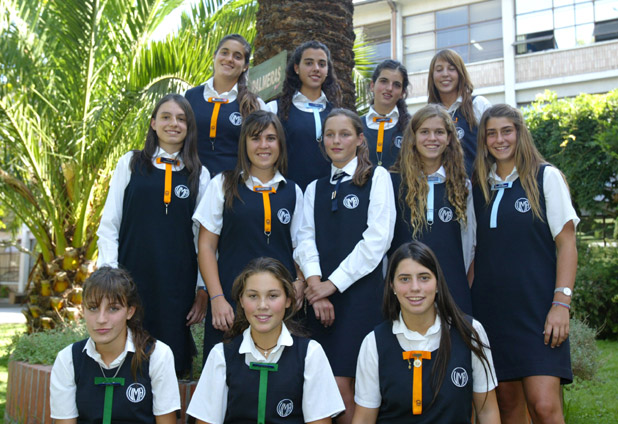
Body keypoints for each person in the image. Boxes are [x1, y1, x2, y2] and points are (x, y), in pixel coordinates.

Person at [472, 104, 578, 424]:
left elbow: (567, 243)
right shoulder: (478, 185)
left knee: (544, 406)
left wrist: (561, 303)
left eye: (507, 131)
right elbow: (474, 253)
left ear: (520, 134)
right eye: (491, 133)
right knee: (507, 406)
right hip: (491, 313)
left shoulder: (546, 177)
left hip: (538, 311)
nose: (499, 139)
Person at [97, 93, 210, 376]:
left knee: (170, 367)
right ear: (153, 123)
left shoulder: (199, 175)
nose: (174, 124)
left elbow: (204, 240)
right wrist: (109, 276)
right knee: (127, 364)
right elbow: (110, 223)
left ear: (189, 127)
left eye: (181, 119)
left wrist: (202, 289)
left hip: (177, 286)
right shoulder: (131, 163)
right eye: (166, 117)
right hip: (130, 281)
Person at [294, 109, 396, 423]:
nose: (336, 141)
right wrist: (316, 287)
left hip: (361, 298)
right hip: (320, 301)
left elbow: (377, 240)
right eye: (330, 134)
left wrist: (332, 284)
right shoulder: (314, 188)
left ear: (360, 139)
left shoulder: (377, 178)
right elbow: (304, 240)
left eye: (345, 134)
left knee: (346, 384)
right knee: (322, 386)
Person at [194, 110, 304, 359]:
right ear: (244, 144)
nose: (263, 145)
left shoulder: (293, 191)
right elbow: (206, 247)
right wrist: (217, 298)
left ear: (280, 144)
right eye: (255, 138)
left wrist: (300, 281)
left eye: (270, 138)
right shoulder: (223, 184)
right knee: (226, 372)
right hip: (230, 305)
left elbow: (300, 246)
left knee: (280, 372)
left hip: (278, 305)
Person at [352, 241, 500, 423]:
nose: (415, 287)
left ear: (437, 283)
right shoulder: (374, 343)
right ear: (392, 286)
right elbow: (364, 419)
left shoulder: (470, 332)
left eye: (424, 277)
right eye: (404, 279)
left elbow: (487, 412)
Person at [187, 257, 345, 424]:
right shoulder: (221, 355)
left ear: (288, 300)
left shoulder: (310, 354)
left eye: (273, 296)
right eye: (253, 296)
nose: (262, 305)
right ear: (241, 300)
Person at [50, 267, 180, 424]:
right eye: (93, 308)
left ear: (130, 311)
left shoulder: (157, 355)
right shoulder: (68, 359)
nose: (101, 319)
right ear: (83, 310)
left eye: (113, 308)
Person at [389, 104, 474, 315]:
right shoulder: (393, 182)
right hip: (406, 294)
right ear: (413, 137)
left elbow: (469, 243)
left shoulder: (463, 186)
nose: (432, 138)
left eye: (439, 132)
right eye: (424, 132)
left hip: (452, 291)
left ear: (449, 138)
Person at [185, 33, 265, 177]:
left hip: (234, 184)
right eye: (224, 53)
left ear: (245, 66)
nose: (229, 59)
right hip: (190, 181)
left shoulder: (255, 104)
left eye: (237, 56)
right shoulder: (188, 97)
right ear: (214, 56)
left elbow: (262, 149)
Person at [267, 40, 342, 191]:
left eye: (322, 64)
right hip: (288, 194)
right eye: (309, 63)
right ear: (296, 68)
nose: (316, 69)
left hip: (329, 195)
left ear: (327, 70)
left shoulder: (337, 113)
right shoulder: (274, 109)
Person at [427, 49, 491, 176]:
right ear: (432, 76)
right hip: (444, 186)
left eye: (451, 69)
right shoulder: (428, 114)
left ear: (460, 73)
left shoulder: (478, 105)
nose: (445, 74)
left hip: (479, 184)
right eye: (439, 70)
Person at [361, 59, 411, 169]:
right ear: (372, 85)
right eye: (384, 81)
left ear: (402, 93)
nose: (389, 88)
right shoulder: (356, 126)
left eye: (396, 85)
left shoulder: (412, 127)